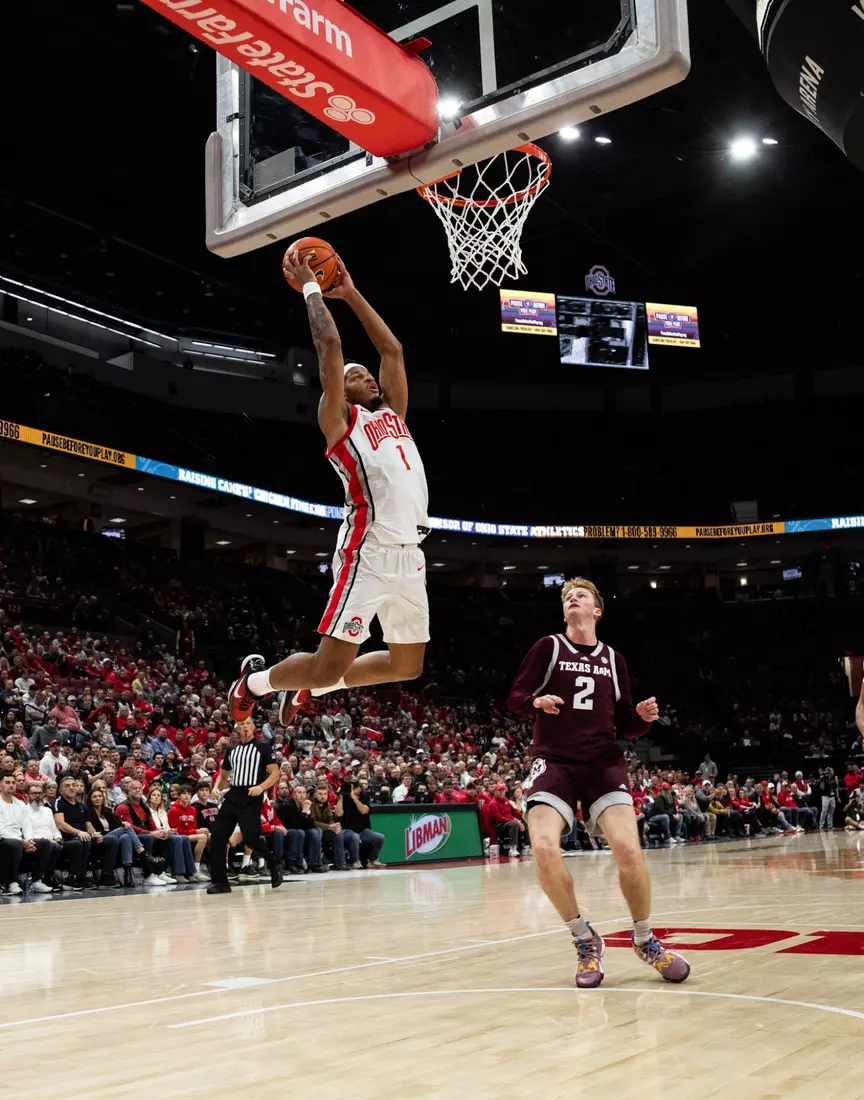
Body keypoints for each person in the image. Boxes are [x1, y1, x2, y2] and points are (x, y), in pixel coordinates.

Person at [227, 255, 428, 727]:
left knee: (407, 666)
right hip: (369, 549)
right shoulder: (339, 422)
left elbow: (394, 351)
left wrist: (351, 292)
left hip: (412, 552)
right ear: (339, 391)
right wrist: (311, 290)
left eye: (366, 375)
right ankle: (253, 683)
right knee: (326, 664)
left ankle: (309, 691)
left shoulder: (394, 416)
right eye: (357, 376)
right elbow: (330, 345)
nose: (368, 378)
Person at [506, 577, 689, 988]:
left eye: (581, 595)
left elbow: (624, 725)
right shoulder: (548, 647)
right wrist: (535, 701)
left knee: (627, 848)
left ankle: (645, 940)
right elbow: (514, 697)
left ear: (596, 611)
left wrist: (641, 717)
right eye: (567, 596)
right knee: (544, 849)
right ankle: (584, 938)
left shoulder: (613, 659)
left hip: (603, 761)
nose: (573, 598)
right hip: (553, 761)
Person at [206, 717, 283, 894]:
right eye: (242, 724)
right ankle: (220, 882)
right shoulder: (232, 749)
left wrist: (261, 787)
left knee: (251, 838)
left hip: (252, 796)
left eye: (248, 723)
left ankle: (274, 863)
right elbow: (223, 775)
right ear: (236, 729)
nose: (245, 726)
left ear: (254, 726)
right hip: (233, 795)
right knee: (217, 837)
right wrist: (216, 788)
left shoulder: (263, 746)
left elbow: (275, 773)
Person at [88, 786, 159, 887]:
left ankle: (128, 875)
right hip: (98, 838)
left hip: (112, 838)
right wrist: (124, 826)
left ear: (103, 798)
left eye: (100, 796)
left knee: (126, 836)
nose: (97, 798)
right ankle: (143, 853)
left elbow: (117, 825)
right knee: (127, 828)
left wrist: (123, 824)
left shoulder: (107, 811)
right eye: (94, 797)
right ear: (90, 799)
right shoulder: (88, 812)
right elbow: (89, 828)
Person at [0, 774, 52, 894]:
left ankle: (36, 881)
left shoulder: (20, 804)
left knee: (45, 843)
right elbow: (1, 829)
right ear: (0, 785)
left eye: (13, 783)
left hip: (18, 840)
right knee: (16, 844)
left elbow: (26, 825)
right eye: (7, 782)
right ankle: (9, 883)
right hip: (3, 839)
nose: (12, 785)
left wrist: (29, 840)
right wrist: (22, 842)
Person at [147, 786, 199, 883]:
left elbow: (166, 827)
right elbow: (151, 827)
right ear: (149, 798)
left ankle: (190, 872)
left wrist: (170, 830)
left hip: (165, 835)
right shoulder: (148, 811)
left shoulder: (162, 812)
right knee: (178, 838)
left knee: (184, 838)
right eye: (154, 795)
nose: (157, 797)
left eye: (159, 795)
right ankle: (178, 872)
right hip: (154, 837)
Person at [24, 781, 63, 891]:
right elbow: (27, 830)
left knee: (57, 845)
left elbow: (54, 828)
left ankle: (48, 877)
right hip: (34, 841)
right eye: (34, 793)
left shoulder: (47, 810)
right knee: (49, 845)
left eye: (40, 793)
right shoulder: (24, 810)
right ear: (27, 795)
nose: (37, 796)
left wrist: (58, 838)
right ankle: (39, 879)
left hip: (50, 841)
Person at [340, 778, 386, 869]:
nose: (352, 790)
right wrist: (340, 799)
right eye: (350, 788)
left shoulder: (364, 797)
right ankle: (355, 861)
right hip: (347, 830)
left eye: (354, 788)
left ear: (359, 789)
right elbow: (338, 813)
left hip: (362, 830)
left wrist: (354, 798)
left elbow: (364, 811)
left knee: (380, 837)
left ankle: (372, 860)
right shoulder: (344, 799)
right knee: (355, 837)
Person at [168, 787, 211, 878]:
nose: (187, 795)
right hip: (178, 836)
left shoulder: (192, 809)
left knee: (210, 835)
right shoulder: (173, 810)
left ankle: (214, 866)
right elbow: (177, 830)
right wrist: (196, 831)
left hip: (189, 834)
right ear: (179, 796)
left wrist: (196, 831)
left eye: (188, 794)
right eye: (184, 793)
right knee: (202, 837)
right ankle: (196, 869)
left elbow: (193, 827)